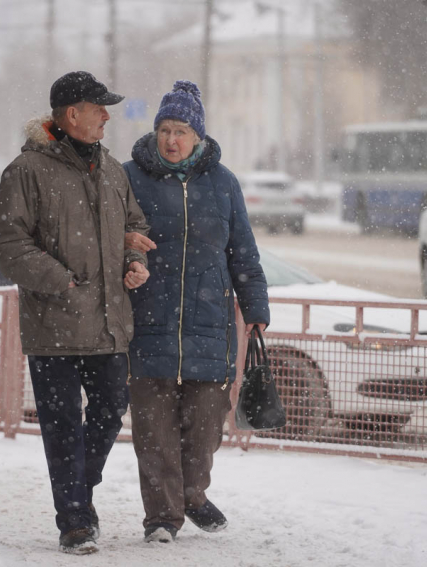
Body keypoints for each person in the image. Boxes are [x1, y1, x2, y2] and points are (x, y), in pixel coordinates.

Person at [0, 71, 151, 555]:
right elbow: (7, 241)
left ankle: (79, 489)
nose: (106, 117)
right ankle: (75, 520)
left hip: (109, 324)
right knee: (62, 428)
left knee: (107, 414)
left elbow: (133, 224)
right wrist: (60, 279)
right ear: (70, 114)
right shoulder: (28, 170)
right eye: (98, 108)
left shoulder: (113, 169)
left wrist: (135, 259)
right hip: (54, 325)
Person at [122, 80, 270, 543]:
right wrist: (128, 260)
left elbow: (243, 252)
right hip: (149, 320)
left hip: (209, 323)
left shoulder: (223, 183)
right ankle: (163, 517)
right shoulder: (129, 177)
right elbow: (111, 237)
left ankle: (192, 493)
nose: (171, 139)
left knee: (206, 428)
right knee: (153, 431)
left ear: (198, 136)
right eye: (165, 128)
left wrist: (256, 307)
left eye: (181, 130)